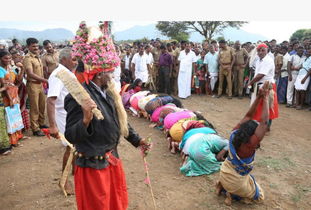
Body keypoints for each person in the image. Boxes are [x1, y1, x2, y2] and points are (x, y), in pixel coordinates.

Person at [65, 21, 150, 210]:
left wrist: (138, 140)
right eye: (108, 72)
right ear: (97, 74)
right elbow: (71, 135)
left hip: (111, 160)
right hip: (93, 166)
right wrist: (86, 120)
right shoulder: (78, 98)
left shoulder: (109, 91)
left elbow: (119, 121)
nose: (112, 75)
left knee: (116, 204)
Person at [216, 81, 270, 205]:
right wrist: (266, 98)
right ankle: (231, 194)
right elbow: (264, 123)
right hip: (235, 182)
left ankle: (223, 187)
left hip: (224, 173)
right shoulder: (250, 144)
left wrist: (259, 97)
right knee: (259, 195)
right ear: (252, 134)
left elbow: (248, 115)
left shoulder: (235, 132)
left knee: (247, 179)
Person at [47, 47, 78, 195]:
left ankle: (75, 173)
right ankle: (64, 182)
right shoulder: (58, 74)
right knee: (70, 147)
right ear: (64, 59)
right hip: (64, 115)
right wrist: (52, 126)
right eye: (73, 59)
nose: (76, 62)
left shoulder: (67, 73)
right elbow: (51, 100)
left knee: (75, 146)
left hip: (71, 114)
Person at [248, 43, 278, 131]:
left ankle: (267, 126)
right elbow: (257, 74)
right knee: (259, 106)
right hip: (259, 85)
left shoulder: (268, 60)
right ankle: (259, 124)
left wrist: (250, 83)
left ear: (267, 50)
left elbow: (261, 75)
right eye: (259, 50)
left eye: (263, 50)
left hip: (267, 86)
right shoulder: (258, 60)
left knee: (268, 106)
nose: (260, 52)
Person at [23, 38, 48, 136]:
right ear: (28, 47)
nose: (36, 48)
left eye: (37, 46)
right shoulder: (27, 58)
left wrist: (43, 80)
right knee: (35, 107)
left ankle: (41, 124)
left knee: (42, 105)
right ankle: (35, 129)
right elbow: (30, 73)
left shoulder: (38, 57)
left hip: (40, 85)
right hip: (33, 85)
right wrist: (45, 80)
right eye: (33, 46)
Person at [0, 50, 24, 145]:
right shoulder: (1, 70)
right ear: (0, 59)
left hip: (14, 94)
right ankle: (11, 140)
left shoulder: (11, 68)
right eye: (6, 58)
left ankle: (18, 136)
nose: (8, 60)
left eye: (10, 58)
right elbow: (5, 87)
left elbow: (19, 80)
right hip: (7, 97)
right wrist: (10, 99)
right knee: (9, 117)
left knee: (15, 116)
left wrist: (22, 69)